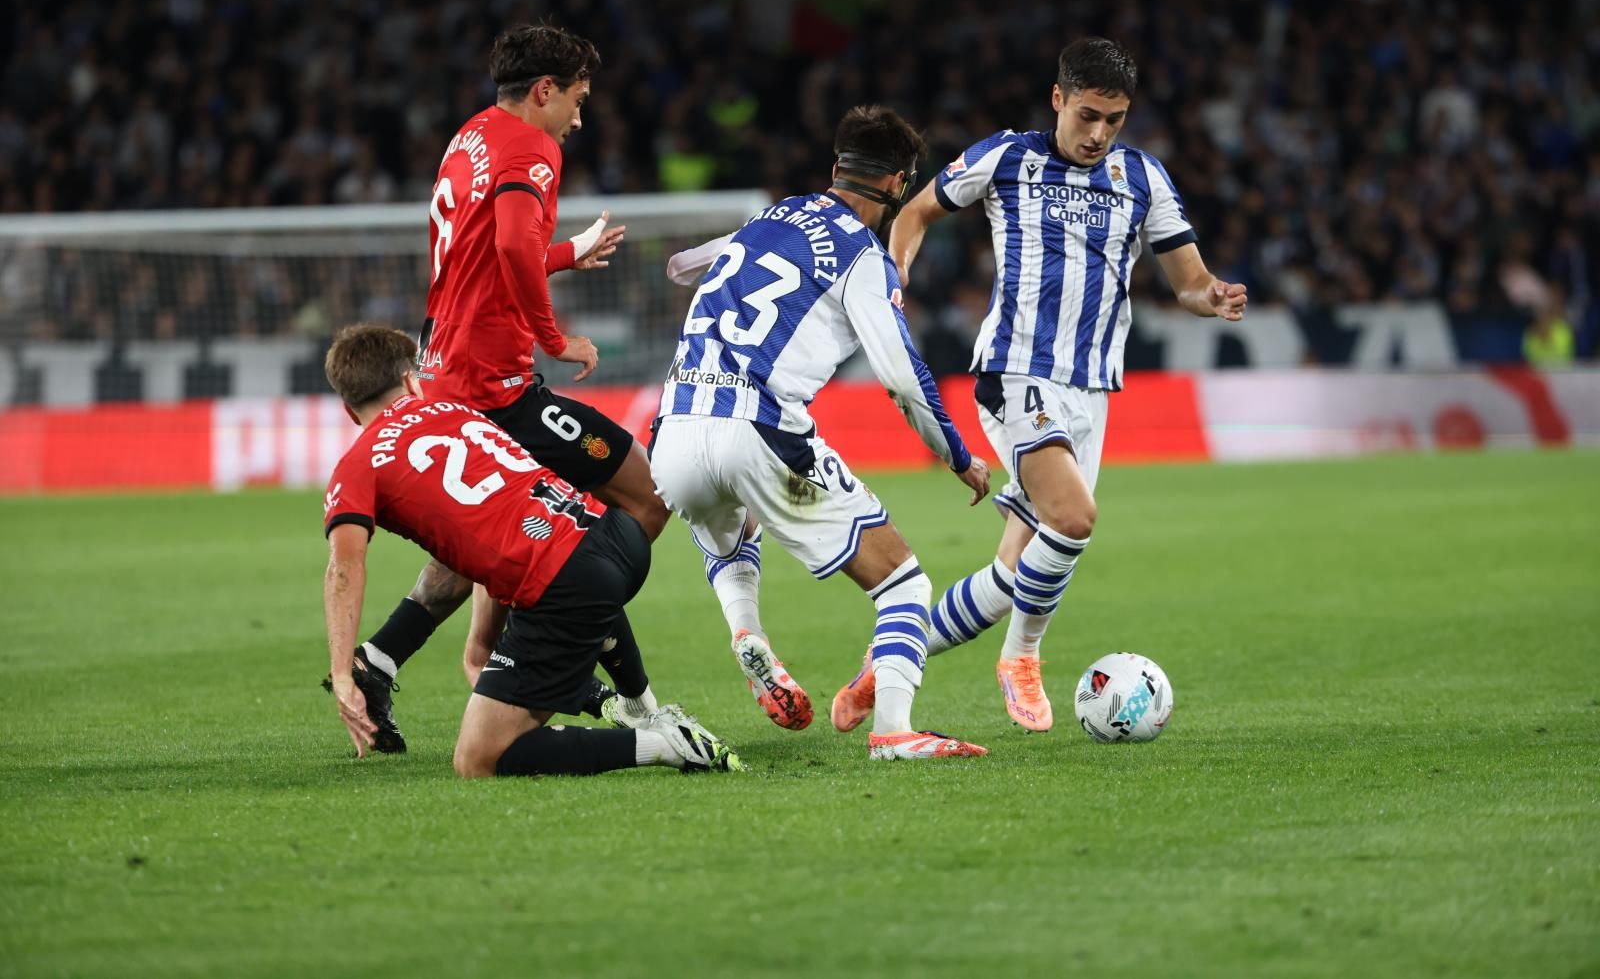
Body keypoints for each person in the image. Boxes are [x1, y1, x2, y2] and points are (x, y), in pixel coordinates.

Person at [836, 38, 1248, 733]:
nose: (1098, 134)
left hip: (1092, 393)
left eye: (1114, 120)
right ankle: (1022, 658)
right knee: (1075, 519)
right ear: (1058, 99)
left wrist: (1215, 296)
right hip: (1016, 372)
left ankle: (884, 666)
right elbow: (914, 213)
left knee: (1009, 577)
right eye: (1088, 115)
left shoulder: (1143, 177)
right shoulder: (1008, 156)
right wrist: (895, 272)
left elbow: (1188, 280)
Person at [329, 24, 670, 754]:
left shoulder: (471, 137)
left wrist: (569, 252)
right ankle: (527, 655)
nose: (579, 119)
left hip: (449, 365)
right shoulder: (531, 148)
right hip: (495, 380)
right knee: (642, 496)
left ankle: (382, 659)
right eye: (576, 100)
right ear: (543, 91)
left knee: (483, 536)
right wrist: (555, 338)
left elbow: (488, 254)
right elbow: (513, 249)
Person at [651, 105, 991, 761]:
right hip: (758, 428)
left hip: (673, 431)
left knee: (729, 525)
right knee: (905, 584)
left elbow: (685, 262)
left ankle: (746, 632)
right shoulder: (864, 256)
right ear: (898, 185)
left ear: (836, 168)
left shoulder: (770, 217)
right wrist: (956, 453)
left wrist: (692, 265)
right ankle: (893, 729)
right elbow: (901, 373)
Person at [320, 324, 744, 777]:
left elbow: (344, 570)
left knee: (478, 758)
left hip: (565, 583)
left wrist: (343, 674)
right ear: (409, 381)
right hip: (617, 537)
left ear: (348, 410)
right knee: (573, 594)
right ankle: (642, 706)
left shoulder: (357, 466)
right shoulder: (452, 411)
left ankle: (664, 744)